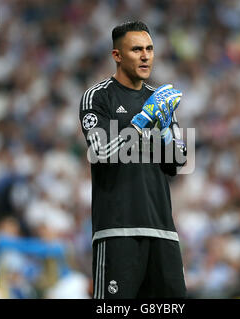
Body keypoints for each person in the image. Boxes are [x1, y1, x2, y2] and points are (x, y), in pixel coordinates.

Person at [78, 21, 187, 299]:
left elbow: (177, 162)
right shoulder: (97, 97)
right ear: (117, 56)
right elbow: (100, 152)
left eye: (149, 49)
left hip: (163, 231)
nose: (145, 55)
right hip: (117, 231)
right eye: (136, 49)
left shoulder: (158, 99)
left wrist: (166, 132)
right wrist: (141, 121)